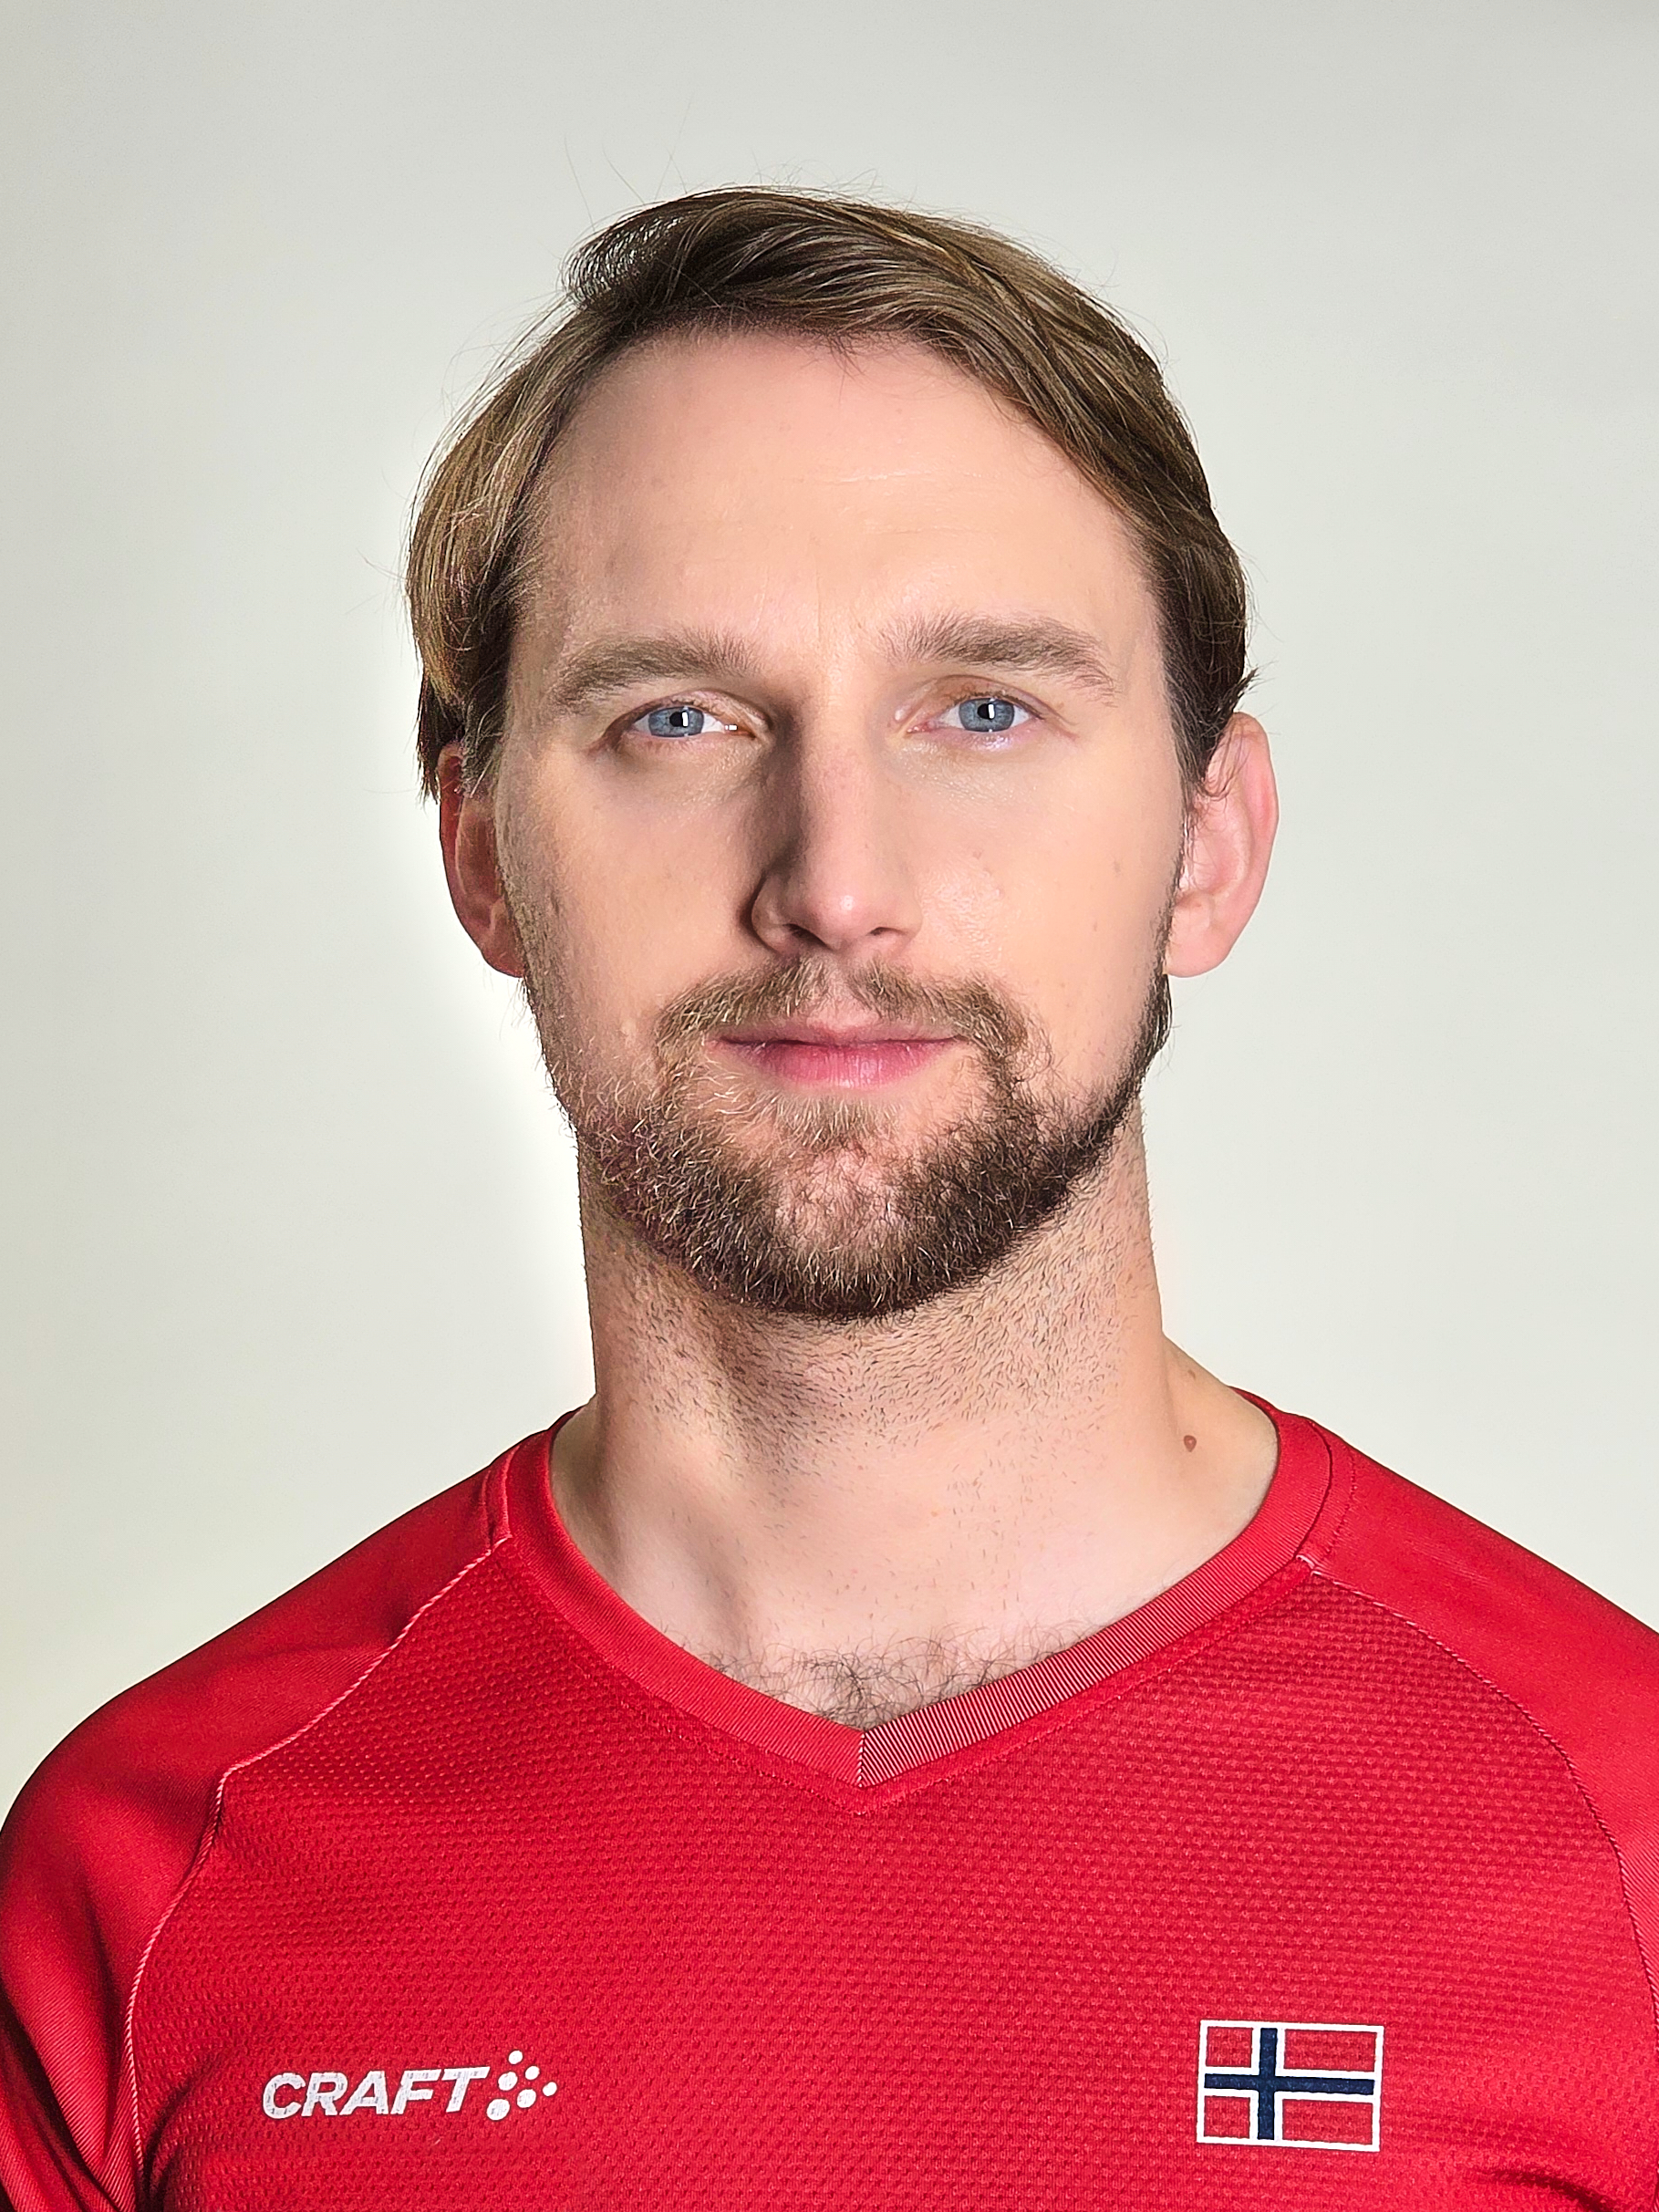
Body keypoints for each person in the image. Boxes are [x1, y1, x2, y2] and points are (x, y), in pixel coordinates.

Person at [3, 186, 1657, 2211]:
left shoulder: (1617, 1841)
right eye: (677, 719)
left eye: (983, 711)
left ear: (1208, 844)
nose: (836, 882)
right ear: (483, 854)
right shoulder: (155, 1867)